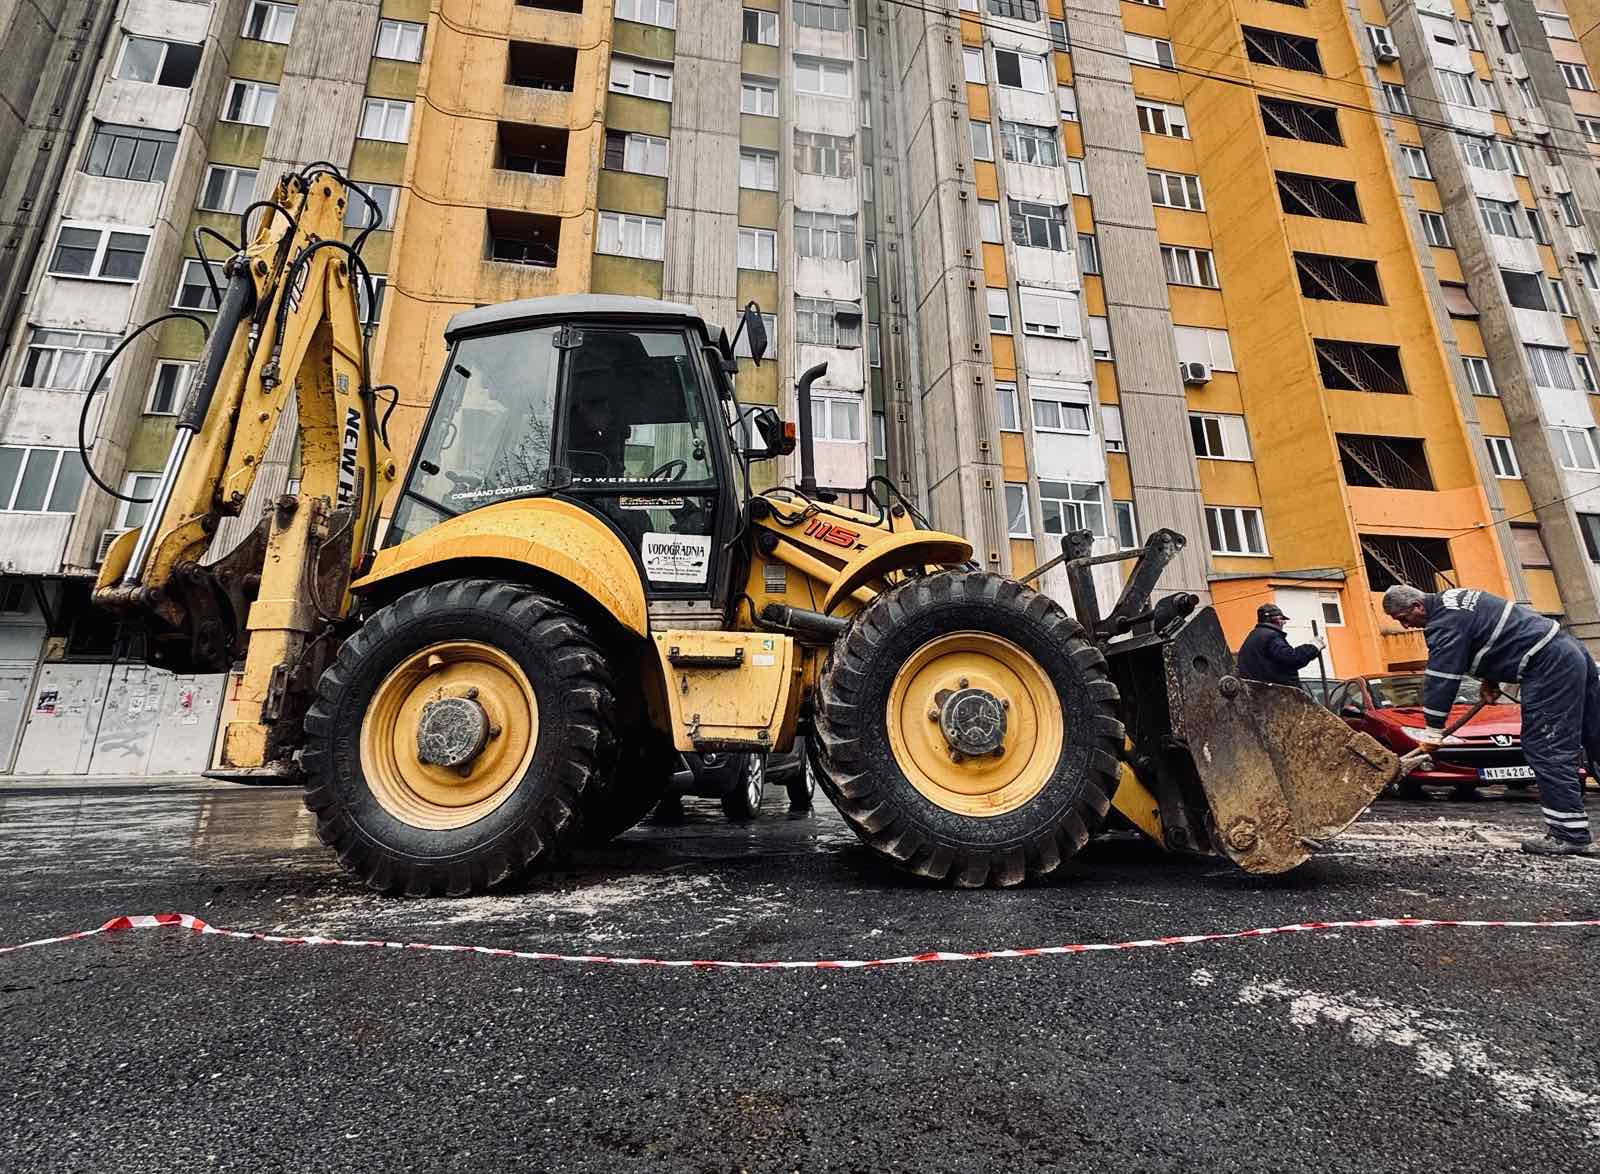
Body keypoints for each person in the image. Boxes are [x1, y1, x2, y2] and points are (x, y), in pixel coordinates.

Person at [1382, 583, 1599, 857]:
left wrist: (1432, 731)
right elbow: (1493, 633)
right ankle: (1571, 831)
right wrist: (1490, 679)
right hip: (1569, 650)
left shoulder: (1443, 623)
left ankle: (1570, 835)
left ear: (1418, 607)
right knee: (1594, 735)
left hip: (1547, 664)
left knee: (1546, 747)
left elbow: (1442, 679)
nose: (1404, 626)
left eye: (1403, 618)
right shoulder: (1455, 600)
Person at [1236, 603, 1324, 687]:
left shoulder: (1253, 636)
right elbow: (1291, 659)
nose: (1284, 623)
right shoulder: (1270, 636)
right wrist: (1314, 647)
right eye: (1283, 620)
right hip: (1276, 693)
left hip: (1257, 692)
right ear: (1277, 619)